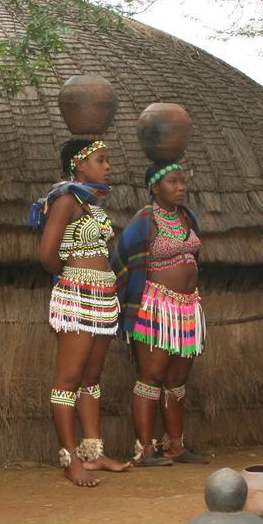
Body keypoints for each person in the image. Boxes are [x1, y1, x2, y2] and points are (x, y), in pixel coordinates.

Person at [31, 139, 132, 486]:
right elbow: (47, 254)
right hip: (77, 294)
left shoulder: (92, 204)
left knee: (92, 377)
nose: (107, 166)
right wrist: (73, 275)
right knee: (69, 379)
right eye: (100, 160)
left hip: (104, 295)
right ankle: (69, 458)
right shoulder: (65, 200)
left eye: (108, 160)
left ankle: (93, 453)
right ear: (78, 164)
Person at [114, 160, 207, 464]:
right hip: (156, 307)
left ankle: (176, 446)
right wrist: (133, 300)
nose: (181, 188)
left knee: (178, 377)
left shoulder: (187, 217)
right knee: (151, 375)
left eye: (183, 182)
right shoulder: (145, 220)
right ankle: (145, 449)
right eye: (173, 183)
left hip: (188, 306)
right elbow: (122, 259)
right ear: (155, 187)